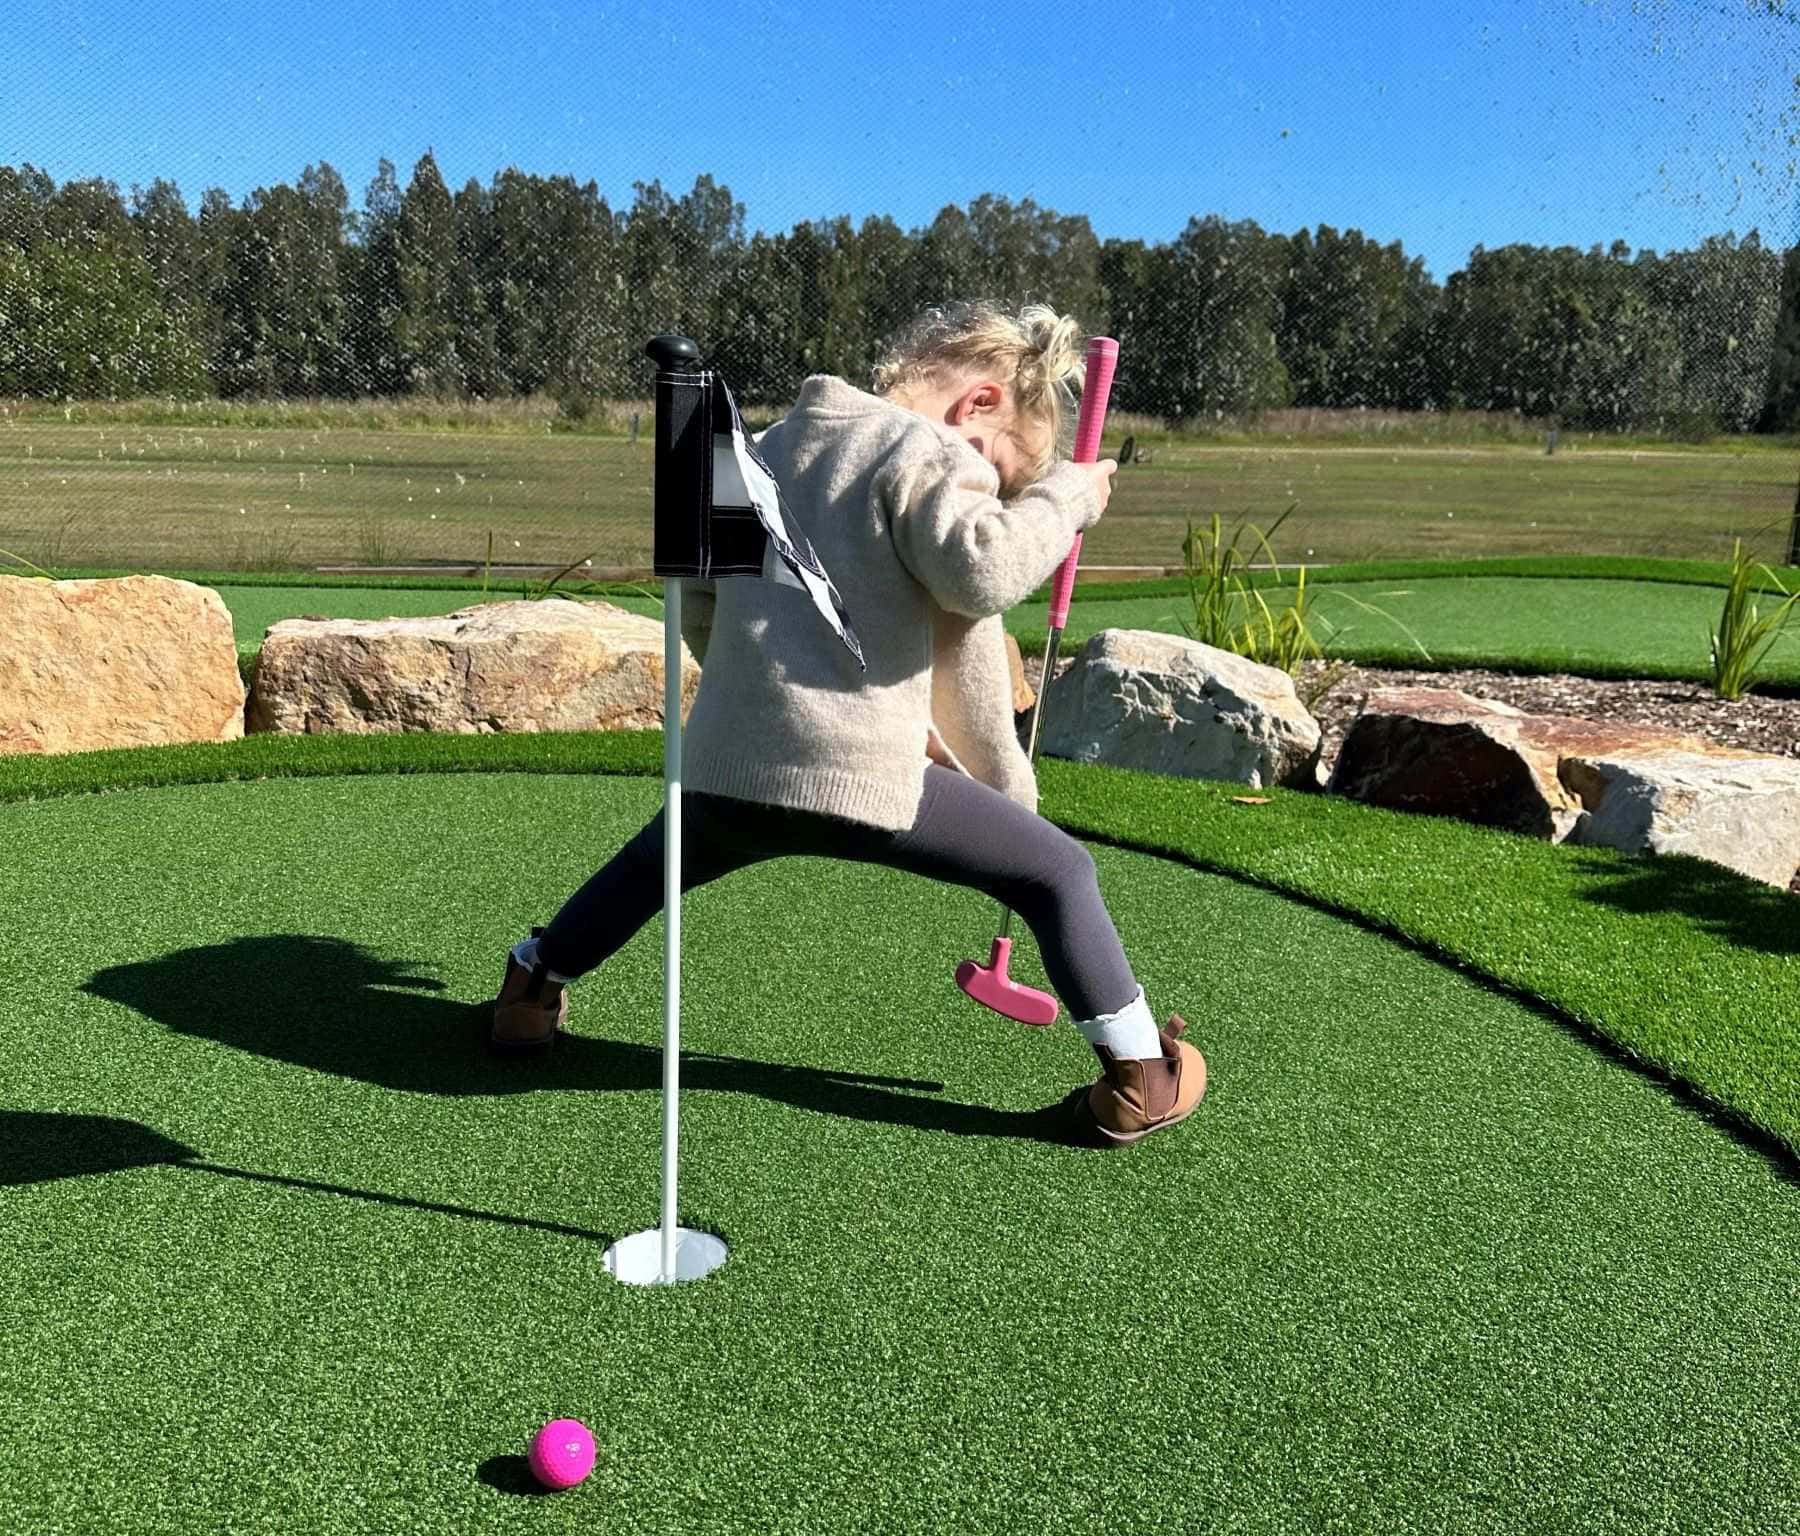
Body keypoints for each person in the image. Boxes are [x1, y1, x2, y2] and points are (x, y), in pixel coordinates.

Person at [492, 301, 1206, 1146]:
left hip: (732, 765)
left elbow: (702, 606)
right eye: (997, 466)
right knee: (1056, 873)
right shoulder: (927, 448)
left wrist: (781, 705)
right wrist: (1064, 498)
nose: (990, 487)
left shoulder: (761, 452)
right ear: (978, 402)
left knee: (656, 862)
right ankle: (1139, 1079)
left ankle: (531, 989)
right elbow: (980, 571)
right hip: (860, 785)